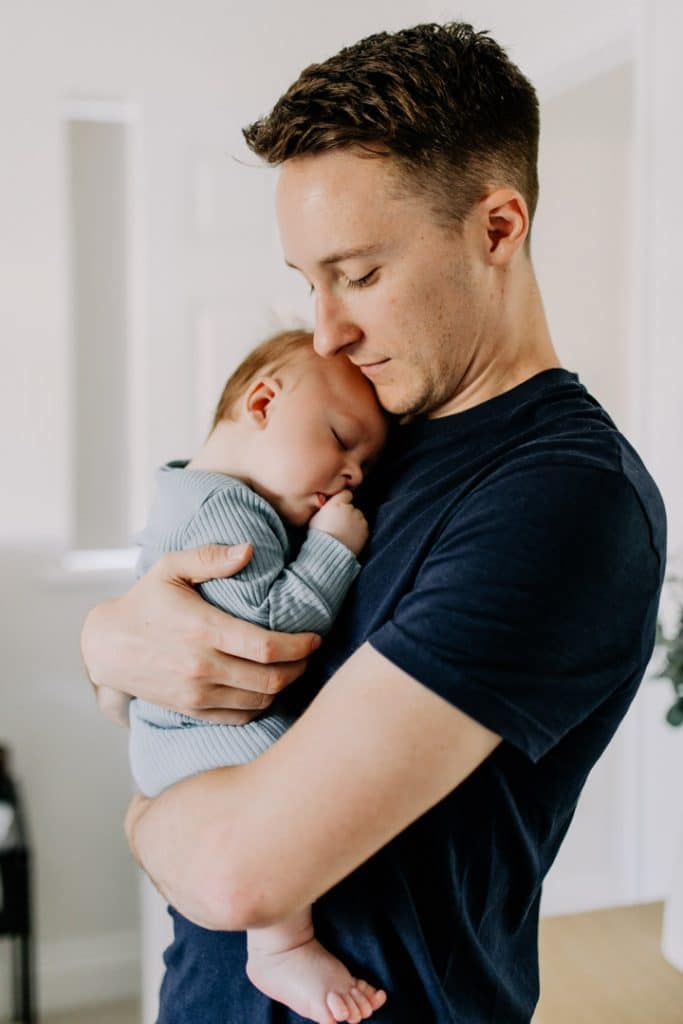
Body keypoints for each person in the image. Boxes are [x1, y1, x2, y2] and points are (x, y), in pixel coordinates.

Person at [81, 22, 666, 1024]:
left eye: (356, 274)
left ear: (495, 227)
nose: (324, 329)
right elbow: (177, 624)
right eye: (306, 281)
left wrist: (143, 818)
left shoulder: (563, 499)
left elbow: (236, 873)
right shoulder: (358, 439)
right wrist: (109, 638)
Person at [126, 328, 388, 1022]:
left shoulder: (199, 494)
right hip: (199, 737)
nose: (353, 473)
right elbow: (273, 631)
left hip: (178, 734)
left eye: (364, 461)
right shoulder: (226, 513)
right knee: (282, 788)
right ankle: (279, 946)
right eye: (339, 438)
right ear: (264, 401)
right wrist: (333, 547)